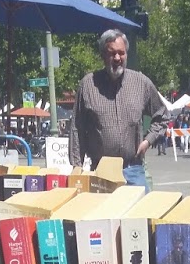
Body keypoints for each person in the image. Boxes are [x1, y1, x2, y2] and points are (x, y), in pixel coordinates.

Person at [69, 29, 168, 187]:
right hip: (100, 171)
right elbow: (77, 128)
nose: (117, 58)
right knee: (103, 212)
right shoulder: (88, 85)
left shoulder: (141, 83)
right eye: (111, 53)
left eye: (121, 53)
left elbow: (162, 116)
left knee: (142, 211)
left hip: (133, 170)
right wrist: (77, 167)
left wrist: (147, 141)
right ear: (102, 55)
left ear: (126, 54)